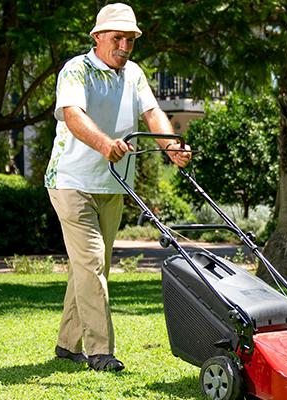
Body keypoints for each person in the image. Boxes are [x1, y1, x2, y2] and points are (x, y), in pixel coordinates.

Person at [45, 2, 191, 372]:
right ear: (97, 37)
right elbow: (74, 116)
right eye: (117, 38)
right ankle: (100, 352)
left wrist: (171, 145)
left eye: (130, 39)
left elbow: (153, 113)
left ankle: (66, 344)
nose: (124, 45)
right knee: (93, 263)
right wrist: (104, 144)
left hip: (112, 183)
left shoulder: (135, 74)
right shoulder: (76, 70)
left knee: (92, 267)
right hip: (70, 181)